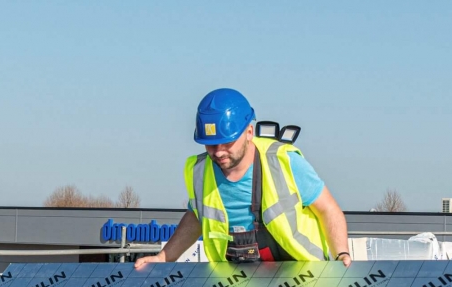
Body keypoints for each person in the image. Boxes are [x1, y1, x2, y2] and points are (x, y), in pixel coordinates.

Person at [135, 88, 351, 269]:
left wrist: (341, 253)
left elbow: (328, 209)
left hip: (304, 278)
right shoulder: (200, 171)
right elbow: (196, 217)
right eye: (211, 144)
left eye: (227, 143)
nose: (218, 152)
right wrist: (164, 257)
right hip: (236, 284)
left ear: (249, 132)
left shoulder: (284, 162)